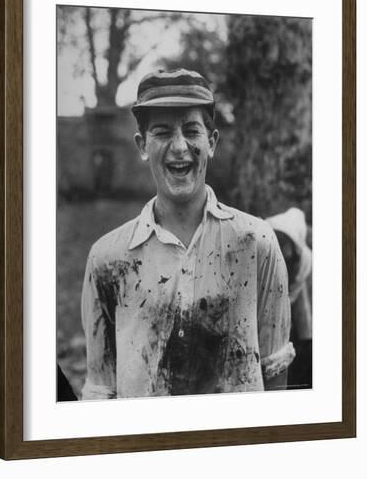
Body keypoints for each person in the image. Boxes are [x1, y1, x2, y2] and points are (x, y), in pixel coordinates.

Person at [81, 68, 294, 399]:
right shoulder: (107, 260)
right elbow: (101, 389)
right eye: (163, 132)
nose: (179, 146)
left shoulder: (257, 244)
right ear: (142, 145)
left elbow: (275, 370)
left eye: (191, 131)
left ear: (211, 142)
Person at [266, 208, 312, 389]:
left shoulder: (305, 262)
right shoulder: (269, 235)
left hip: (297, 287)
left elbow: (293, 293)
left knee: (304, 328)